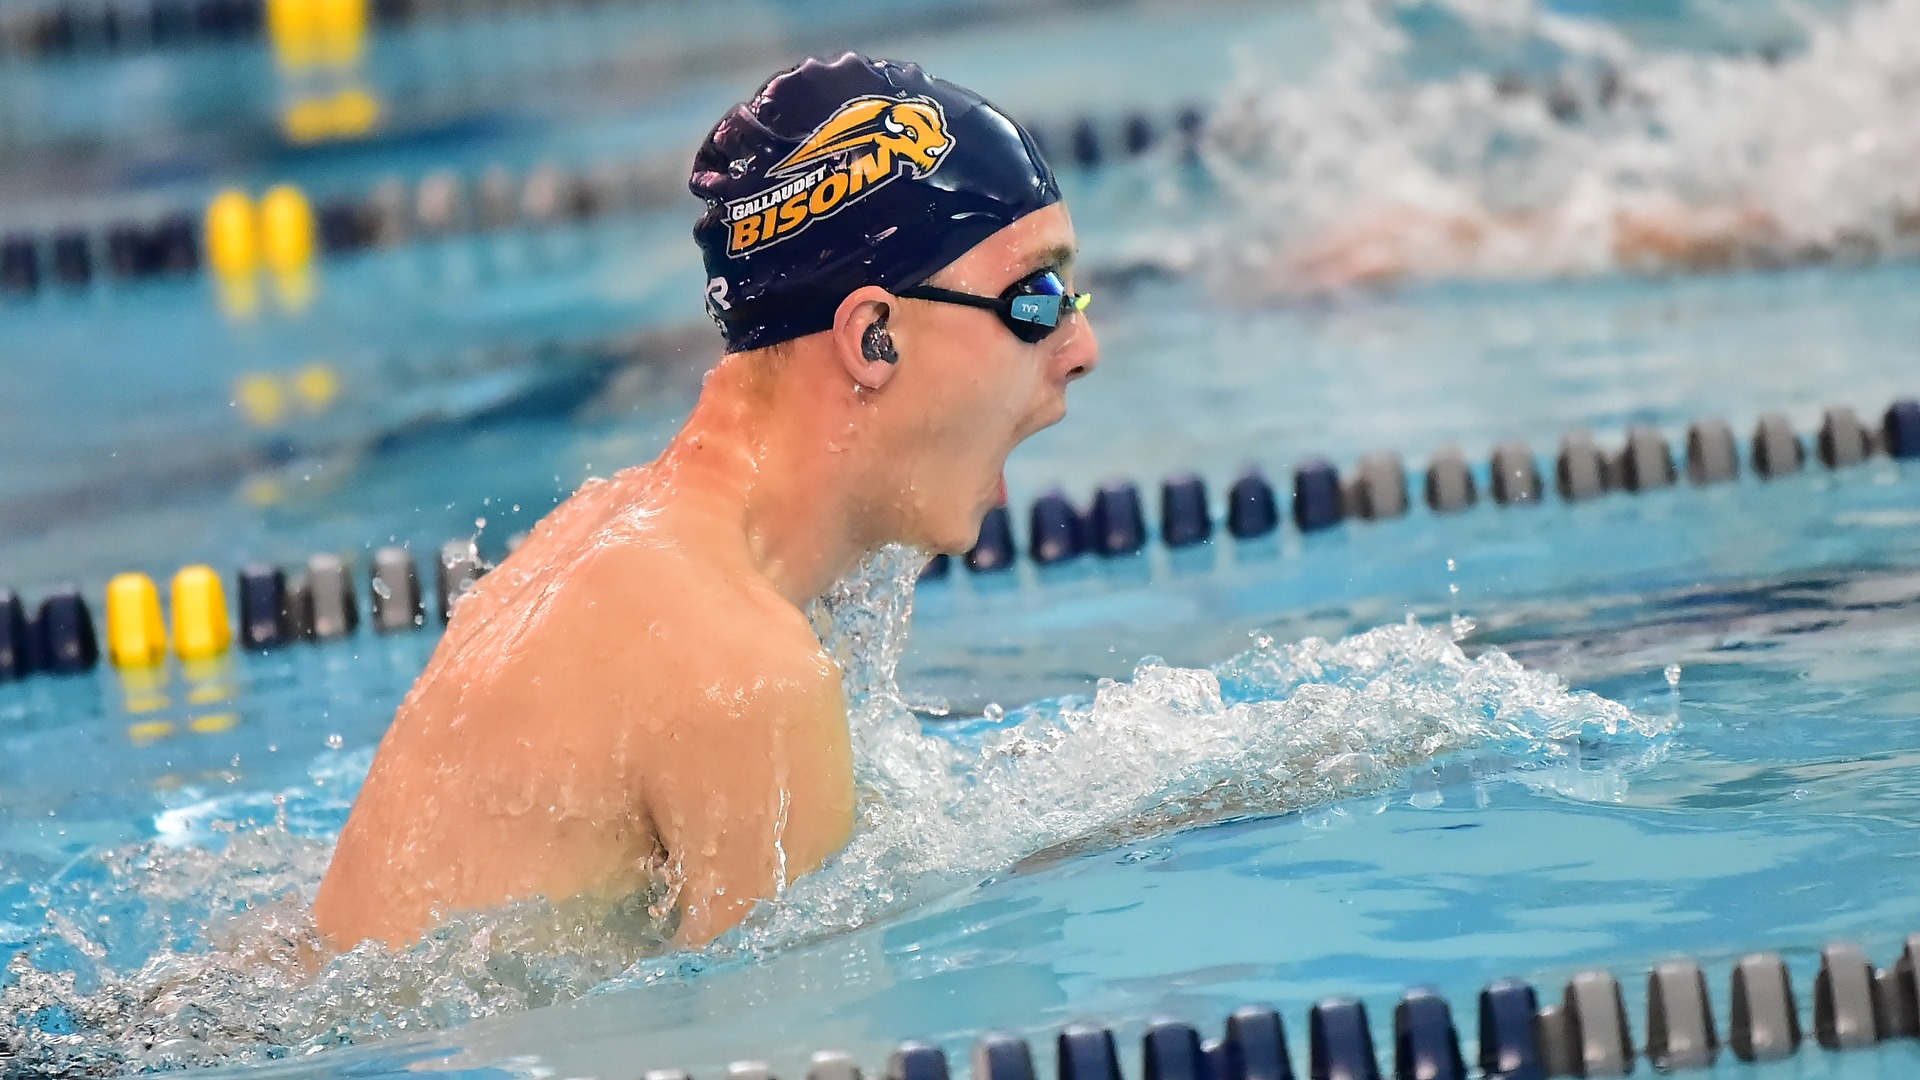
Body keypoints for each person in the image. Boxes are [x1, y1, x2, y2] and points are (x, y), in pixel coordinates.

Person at [312, 53, 1099, 951]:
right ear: (872, 337)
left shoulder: (595, 533)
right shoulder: (748, 678)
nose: (1081, 346)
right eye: (1036, 298)